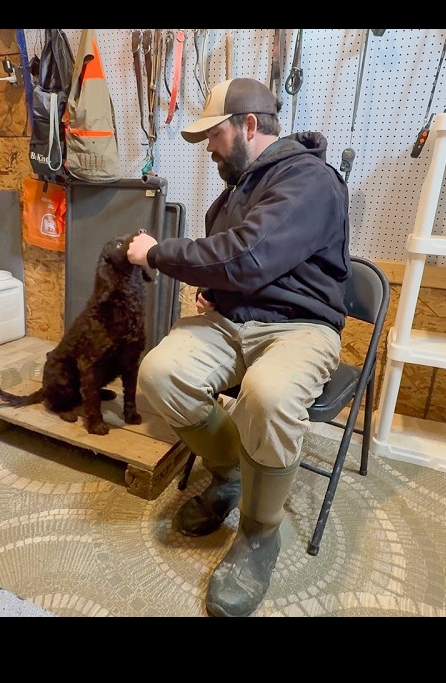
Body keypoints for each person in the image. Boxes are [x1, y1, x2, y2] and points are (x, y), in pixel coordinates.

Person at [126, 77, 350, 617]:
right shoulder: (237, 190)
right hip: (234, 320)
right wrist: (212, 289)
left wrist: (158, 254)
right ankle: (229, 476)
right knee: (159, 373)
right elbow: (236, 264)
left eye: (216, 135)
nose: (210, 148)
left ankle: (258, 533)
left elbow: (249, 255)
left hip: (300, 327)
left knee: (267, 395)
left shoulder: (311, 180)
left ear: (249, 125)